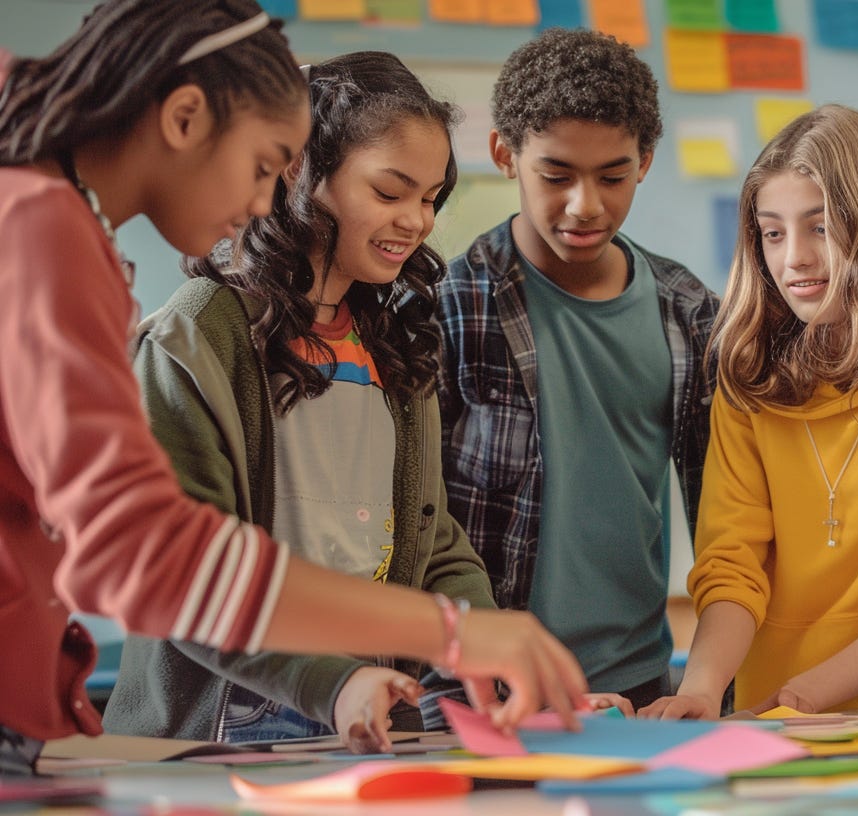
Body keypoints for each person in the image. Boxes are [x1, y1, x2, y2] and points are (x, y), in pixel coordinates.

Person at [0, 0, 585, 777]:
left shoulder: (51, 221)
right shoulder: (50, 231)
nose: (262, 201)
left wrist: (461, 641)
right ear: (183, 118)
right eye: (266, 166)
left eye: (430, 199)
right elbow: (143, 552)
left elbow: (426, 535)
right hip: (211, 726)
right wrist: (449, 633)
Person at [102, 51, 501, 751]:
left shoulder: (397, 348)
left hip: (369, 698)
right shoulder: (196, 336)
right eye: (389, 191)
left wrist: (489, 647)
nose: (416, 221)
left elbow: (432, 546)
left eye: (430, 199)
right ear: (300, 172)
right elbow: (186, 572)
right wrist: (330, 683)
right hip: (231, 717)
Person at [639, 105, 858, 719]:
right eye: (773, 233)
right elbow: (732, 560)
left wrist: (800, 699)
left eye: (821, 228)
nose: (794, 258)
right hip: (768, 716)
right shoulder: (748, 368)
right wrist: (700, 689)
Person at [436, 28, 718, 713]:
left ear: (646, 160)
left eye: (612, 176)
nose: (584, 204)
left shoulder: (689, 313)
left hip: (635, 681)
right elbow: (419, 518)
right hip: (478, 686)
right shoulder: (451, 304)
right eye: (556, 175)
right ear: (505, 154)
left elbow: (722, 519)